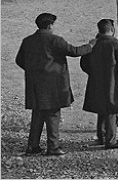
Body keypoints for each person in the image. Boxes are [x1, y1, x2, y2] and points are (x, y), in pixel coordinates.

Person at [15, 13, 93, 156]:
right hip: (53, 85)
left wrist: (34, 71)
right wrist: (90, 45)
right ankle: (53, 147)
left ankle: (32, 146)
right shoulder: (54, 40)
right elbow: (75, 51)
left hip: (34, 84)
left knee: (37, 115)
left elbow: (19, 60)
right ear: (50, 25)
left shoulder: (28, 41)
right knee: (53, 115)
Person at [80, 19, 118, 149]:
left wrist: (93, 74)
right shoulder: (117, 44)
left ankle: (101, 137)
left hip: (97, 82)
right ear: (112, 30)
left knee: (101, 109)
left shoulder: (94, 44)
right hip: (114, 81)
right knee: (111, 109)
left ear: (99, 30)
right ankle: (111, 141)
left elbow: (84, 64)